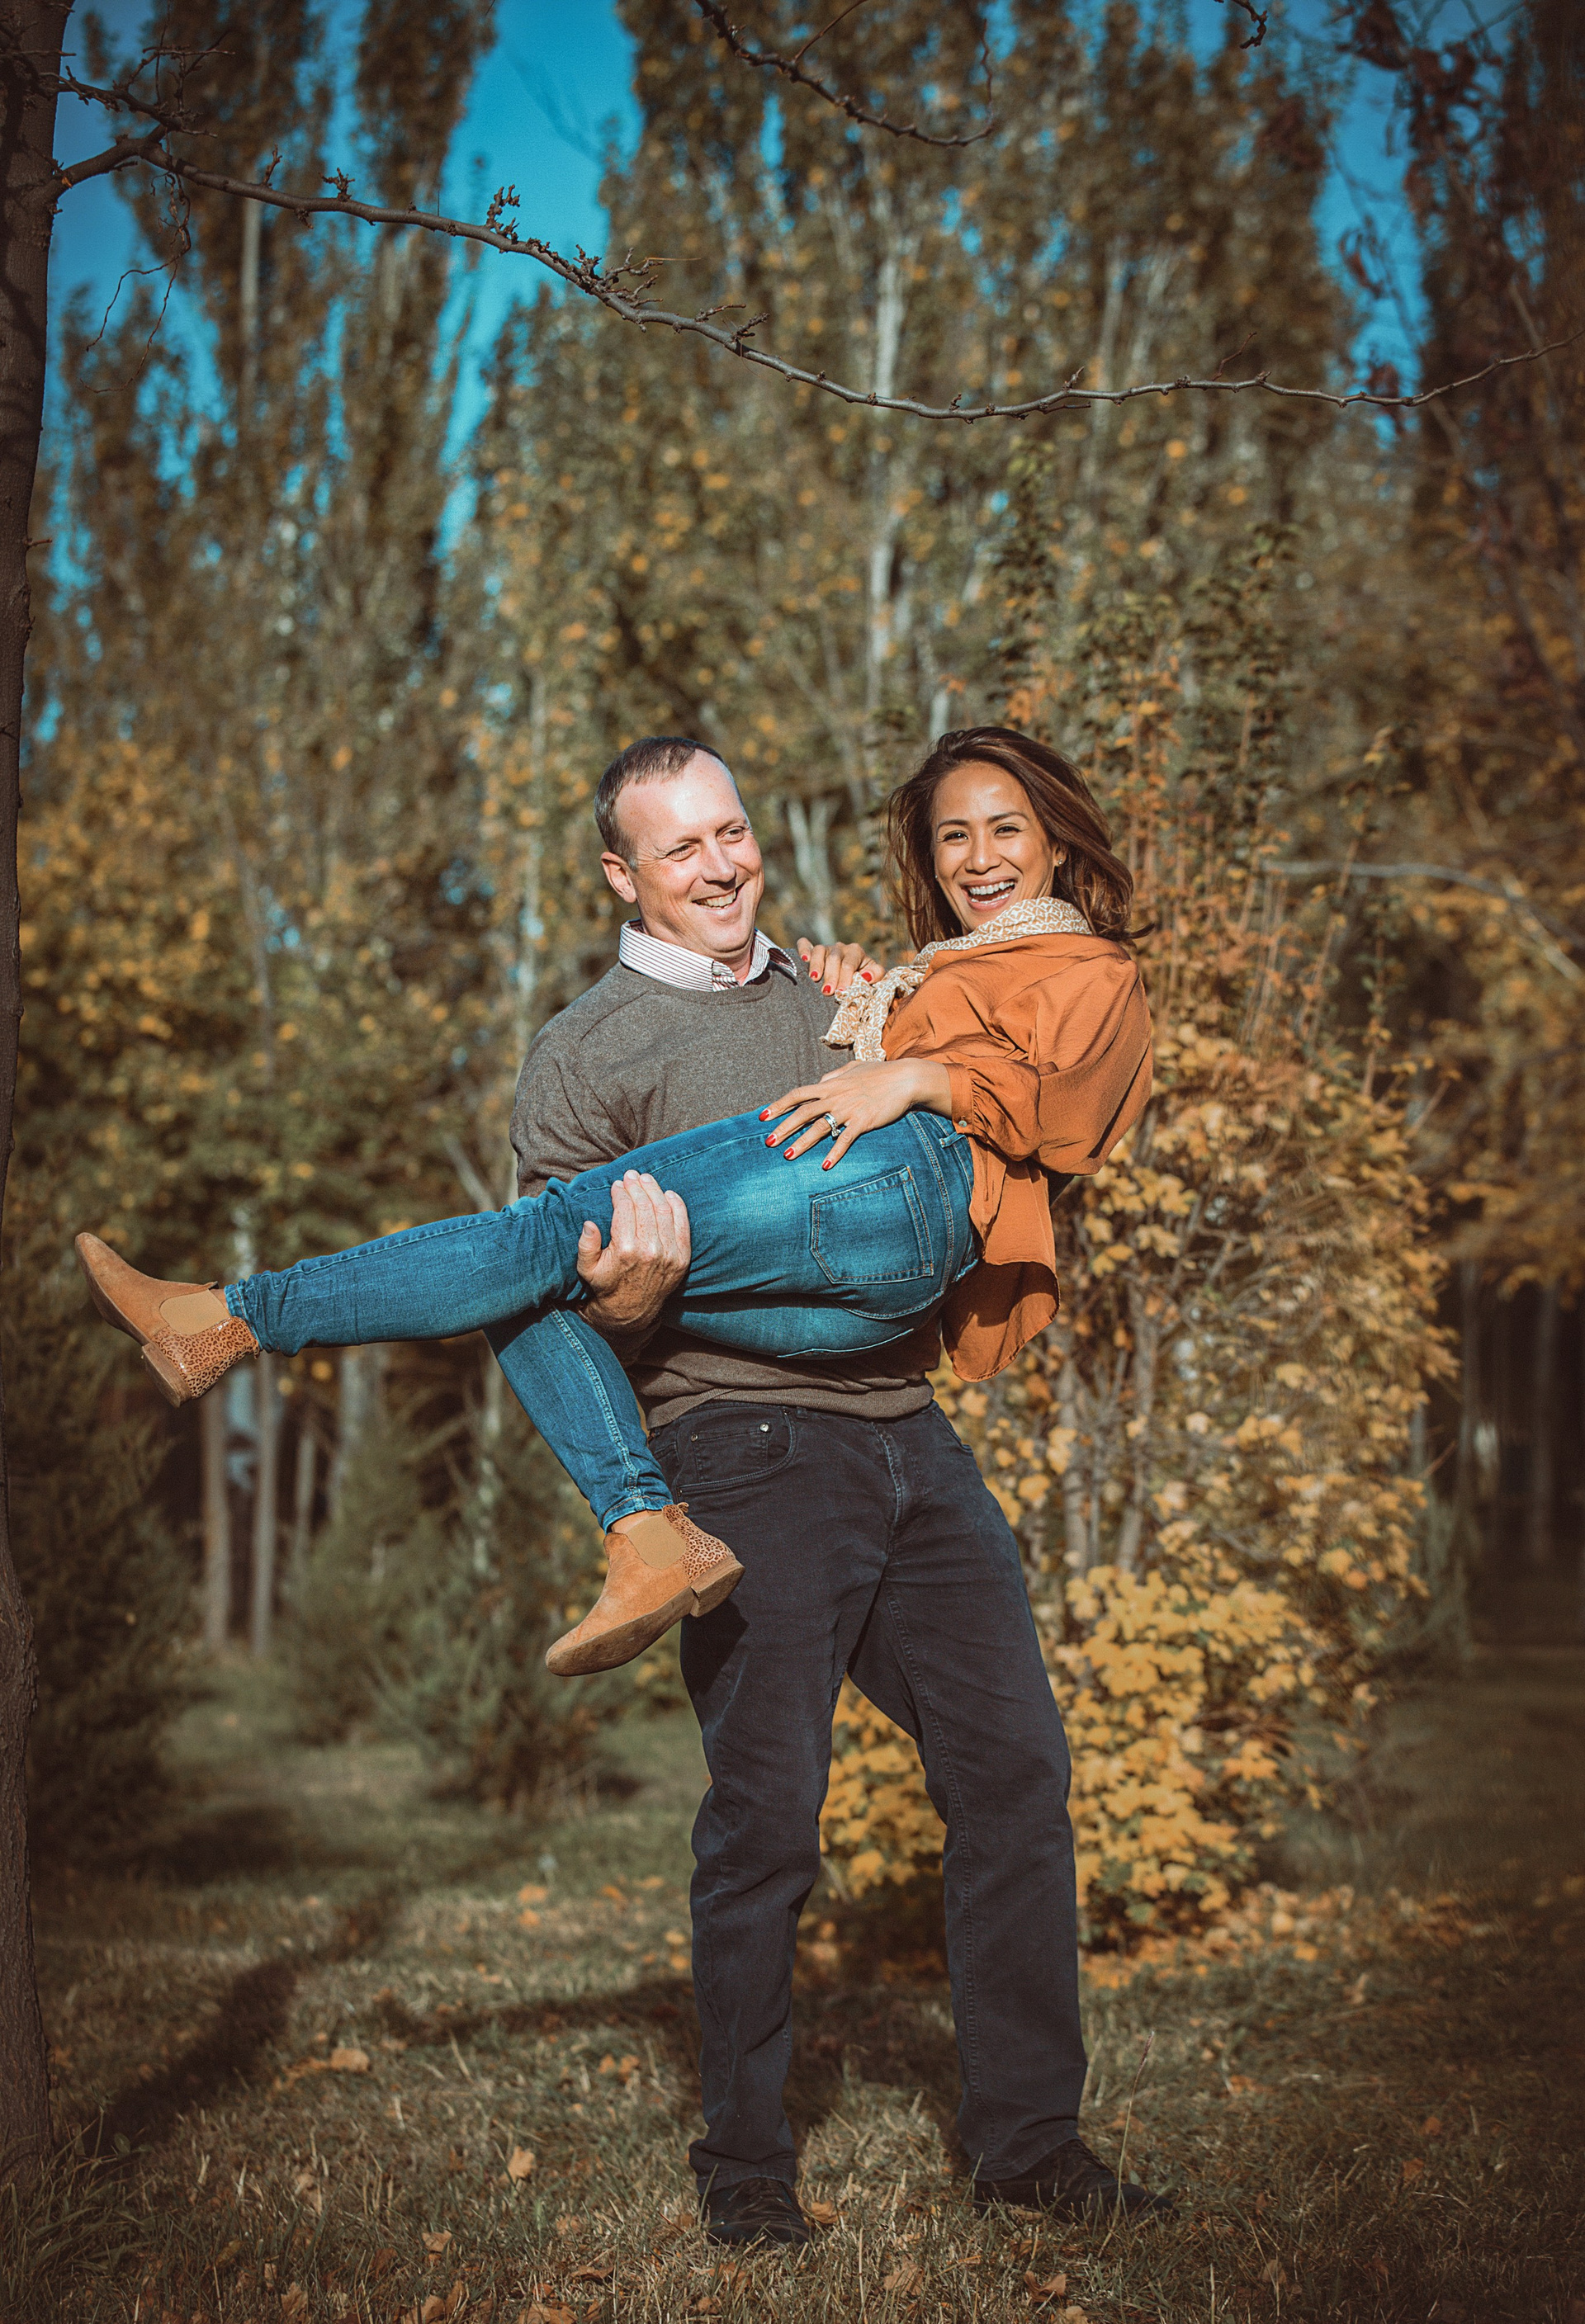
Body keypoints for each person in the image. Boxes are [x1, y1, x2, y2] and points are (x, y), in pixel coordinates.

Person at [77, 726, 1171, 2242]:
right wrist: (634, 1298)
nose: (722, 866)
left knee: (1016, 1777)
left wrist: (890, 1021)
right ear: (621, 875)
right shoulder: (584, 1054)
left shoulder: (837, 990)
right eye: (682, 847)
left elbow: (997, 1064)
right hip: (745, 1442)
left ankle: (1031, 2148)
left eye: (734, 832)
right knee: (767, 1817)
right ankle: (748, 2173)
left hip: (907, 1426)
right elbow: (565, 1329)